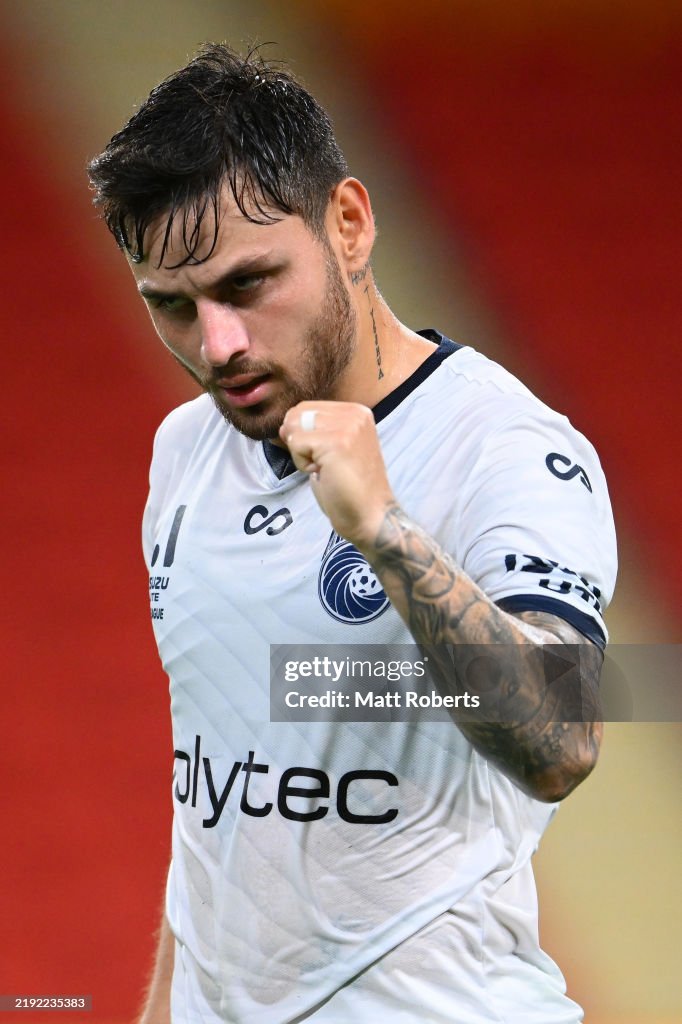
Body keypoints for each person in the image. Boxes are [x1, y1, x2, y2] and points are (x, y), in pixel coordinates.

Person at [88, 43, 617, 1024]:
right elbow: (214, 795)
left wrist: (382, 528)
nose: (217, 347)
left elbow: (561, 738)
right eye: (171, 306)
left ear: (348, 224)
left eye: (247, 286)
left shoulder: (504, 448)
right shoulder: (185, 450)